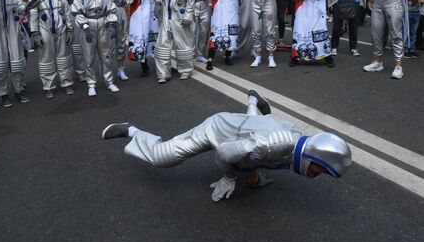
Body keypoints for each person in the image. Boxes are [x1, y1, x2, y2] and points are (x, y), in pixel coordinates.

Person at [102, 89, 352, 202]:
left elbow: (259, 150)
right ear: (314, 156)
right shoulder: (276, 144)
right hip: (218, 130)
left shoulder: (295, 139)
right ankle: (132, 131)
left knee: (253, 129)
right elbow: (226, 153)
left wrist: (254, 178)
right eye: (320, 170)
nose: (316, 175)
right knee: (162, 157)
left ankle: (253, 100)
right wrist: (230, 176)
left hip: (246, 129)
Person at [71, 0, 120, 96]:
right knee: (89, 56)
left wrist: (110, 22)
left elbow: (111, 8)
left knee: (106, 55)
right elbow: (76, 11)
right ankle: (91, 84)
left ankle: (109, 82)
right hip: (88, 24)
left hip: (102, 24)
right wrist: (85, 25)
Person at [28, 0, 75, 99]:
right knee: (46, 58)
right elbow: (33, 14)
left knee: (64, 56)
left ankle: (66, 83)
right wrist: (35, 32)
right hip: (44, 28)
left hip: (60, 27)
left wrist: (70, 29)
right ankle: (48, 86)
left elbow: (66, 11)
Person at [154, 0, 195, 82]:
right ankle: (163, 73)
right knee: (162, 44)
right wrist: (158, 3)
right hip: (167, 13)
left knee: (182, 43)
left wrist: (188, 14)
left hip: (180, 12)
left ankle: (185, 70)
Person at [56, 0, 86, 82]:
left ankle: (81, 72)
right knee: (63, 50)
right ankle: (65, 77)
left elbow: (83, 1)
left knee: (77, 48)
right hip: (61, 19)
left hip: (74, 18)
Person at [128, 0, 159, 76]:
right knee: (140, 39)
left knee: (154, 40)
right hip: (137, 14)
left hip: (150, 14)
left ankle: (162, 64)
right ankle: (144, 65)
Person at [101, 0, 131, 81]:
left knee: (121, 41)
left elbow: (128, 0)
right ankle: (108, 71)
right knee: (107, 43)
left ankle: (120, 69)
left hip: (120, 13)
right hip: (107, 14)